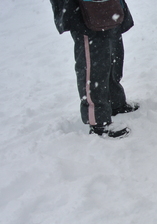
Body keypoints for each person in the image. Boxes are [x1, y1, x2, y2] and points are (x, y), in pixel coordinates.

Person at [50, 0, 138, 138]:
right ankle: (98, 120)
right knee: (93, 65)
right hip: (84, 11)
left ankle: (115, 102)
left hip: (108, 7)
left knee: (113, 57)